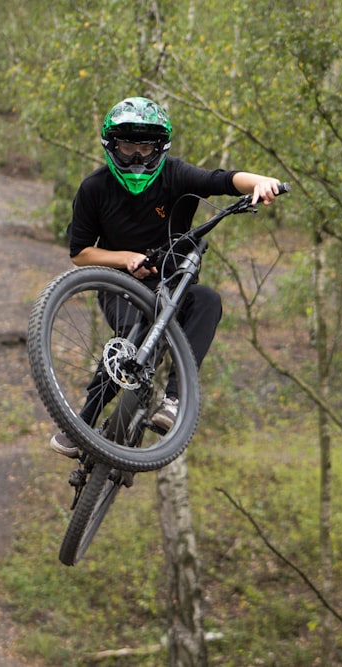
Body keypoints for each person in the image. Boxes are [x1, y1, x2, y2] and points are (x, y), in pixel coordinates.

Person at [50, 96, 283, 457]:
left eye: (146, 148)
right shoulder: (94, 189)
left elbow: (222, 180)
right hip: (120, 285)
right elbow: (80, 253)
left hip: (172, 286)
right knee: (132, 336)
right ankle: (83, 422)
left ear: (160, 148)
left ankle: (173, 400)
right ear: (112, 147)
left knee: (208, 301)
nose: (137, 158)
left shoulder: (176, 175)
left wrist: (261, 182)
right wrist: (125, 258)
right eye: (127, 148)